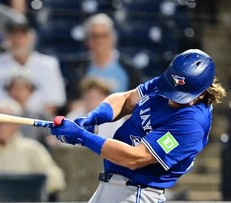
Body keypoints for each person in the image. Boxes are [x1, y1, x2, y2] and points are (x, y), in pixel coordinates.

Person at [50, 49, 226, 203]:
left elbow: (134, 158)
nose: (172, 98)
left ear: (201, 93)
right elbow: (127, 100)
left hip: (137, 193)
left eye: (180, 96)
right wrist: (93, 117)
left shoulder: (191, 125)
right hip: (115, 186)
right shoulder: (171, 82)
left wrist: (82, 137)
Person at [0, 98, 66, 200]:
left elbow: (56, 180)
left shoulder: (33, 149)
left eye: (5, 122)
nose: (1, 127)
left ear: (16, 124)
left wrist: (28, 189)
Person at [0, 20, 66, 117]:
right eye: (14, 36)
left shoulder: (49, 65)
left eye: (22, 36)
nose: (18, 41)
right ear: (6, 39)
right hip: (0, 122)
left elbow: (53, 103)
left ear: (31, 38)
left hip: (35, 122)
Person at [62, 13, 144, 102]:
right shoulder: (78, 69)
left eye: (104, 36)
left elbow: (139, 101)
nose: (99, 41)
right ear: (87, 40)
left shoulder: (128, 69)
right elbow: (72, 101)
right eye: (94, 36)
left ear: (113, 38)